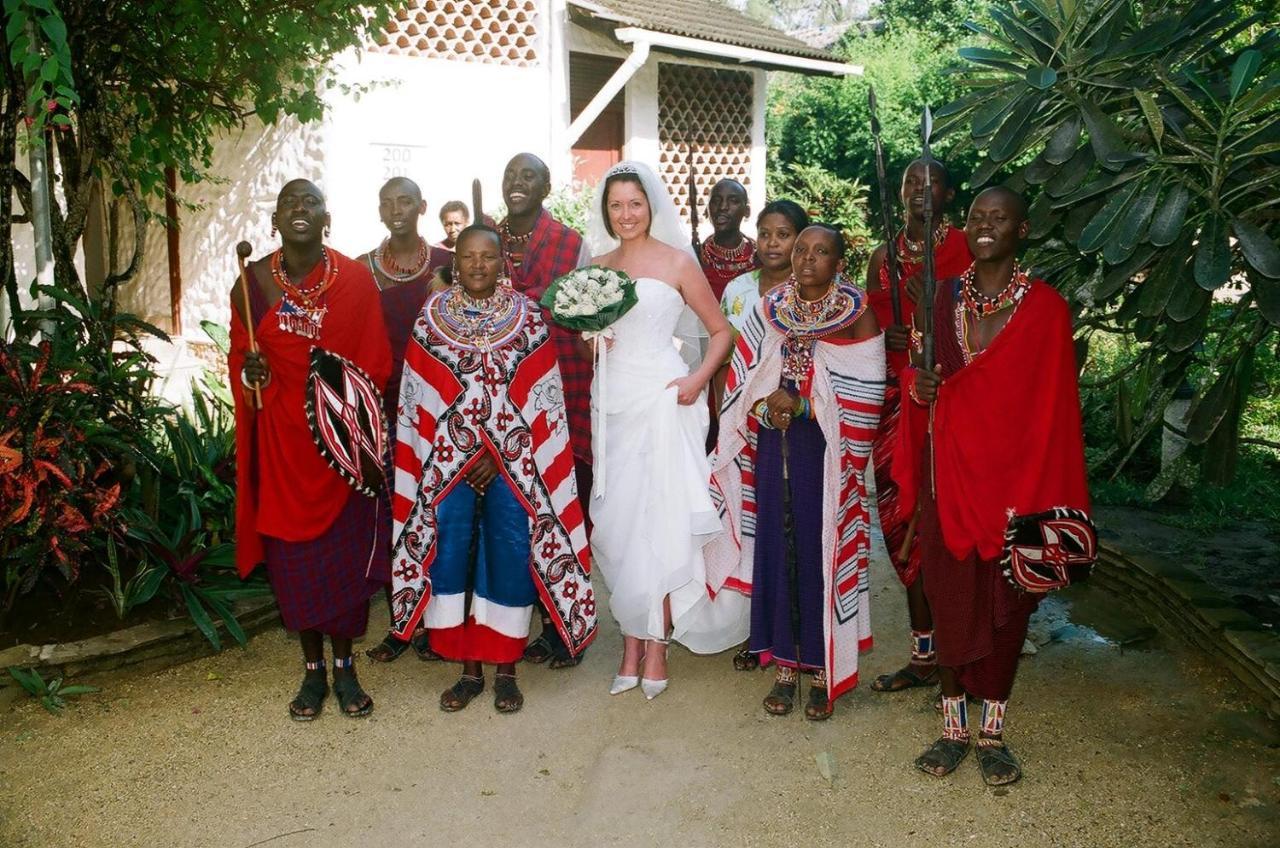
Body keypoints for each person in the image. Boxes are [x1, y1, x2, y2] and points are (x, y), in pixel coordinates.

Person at [897, 187, 1090, 784]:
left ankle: (993, 735)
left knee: (1007, 613)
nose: (985, 227)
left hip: (1017, 486)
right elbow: (919, 370)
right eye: (978, 217)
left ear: (1022, 229)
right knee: (950, 598)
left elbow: (1054, 411)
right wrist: (918, 387)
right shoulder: (941, 296)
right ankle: (953, 730)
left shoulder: (1048, 310)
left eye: (998, 218)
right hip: (947, 476)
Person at [388, 224, 596, 713]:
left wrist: (496, 453)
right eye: (468, 256)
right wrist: (462, 453)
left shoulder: (528, 319)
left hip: (515, 465)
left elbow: (540, 396)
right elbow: (419, 397)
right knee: (453, 555)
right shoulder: (430, 316)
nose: (478, 265)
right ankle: (469, 671)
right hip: (446, 467)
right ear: (454, 262)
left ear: (504, 262)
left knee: (509, 553)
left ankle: (505, 669)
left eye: (488, 256)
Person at [707, 224, 884, 719]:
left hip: (825, 451)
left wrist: (805, 406)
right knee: (775, 545)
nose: (807, 259)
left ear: (839, 262)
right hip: (772, 441)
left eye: (820, 251)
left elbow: (868, 399)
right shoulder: (771, 308)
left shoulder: (857, 315)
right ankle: (785, 665)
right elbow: (743, 378)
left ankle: (824, 667)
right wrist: (765, 407)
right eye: (801, 249)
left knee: (816, 549)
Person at [230, 178, 392, 720]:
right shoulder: (250, 284)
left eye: (311, 202)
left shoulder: (355, 281)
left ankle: (345, 668)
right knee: (296, 565)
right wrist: (253, 375)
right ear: (275, 220)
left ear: (328, 217)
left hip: (340, 450)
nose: (300, 209)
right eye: (289, 203)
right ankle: (312, 672)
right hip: (281, 447)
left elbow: (374, 363)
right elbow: (240, 365)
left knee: (341, 562)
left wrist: (343, 416)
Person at [585, 161, 740, 700]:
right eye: (616, 205)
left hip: (665, 399)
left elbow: (720, 331)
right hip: (613, 404)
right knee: (618, 525)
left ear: (651, 205)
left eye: (635, 203)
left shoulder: (677, 263)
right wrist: (598, 340)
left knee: (661, 520)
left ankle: (655, 646)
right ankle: (630, 638)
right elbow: (599, 330)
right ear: (606, 212)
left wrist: (697, 379)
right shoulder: (598, 268)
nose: (626, 214)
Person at [864, 158, 972, 695]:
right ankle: (923, 653)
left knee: (950, 530)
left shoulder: (968, 249)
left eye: (930, 184)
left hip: (953, 406)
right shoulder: (882, 257)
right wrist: (887, 337)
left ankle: (964, 654)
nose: (918, 192)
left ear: (948, 194)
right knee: (901, 523)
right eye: (910, 183)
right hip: (894, 408)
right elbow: (868, 328)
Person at [497, 152, 594, 669]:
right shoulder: (486, 240)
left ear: (547, 186)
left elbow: (561, 303)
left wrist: (504, 295)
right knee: (520, 514)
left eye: (528, 175)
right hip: (502, 400)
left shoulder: (569, 243)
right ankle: (531, 621)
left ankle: (566, 628)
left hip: (561, 392)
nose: (518, 183)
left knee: (562, 509)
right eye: (511, 174)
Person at [358, 177, 454, 664]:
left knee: (437, 513)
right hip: (382, 409)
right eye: (388, 202)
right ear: (379, 210)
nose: (397, 209)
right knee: (396, 514)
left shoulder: (449, 264)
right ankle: (402, 622)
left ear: (422, 206)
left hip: (438, 409)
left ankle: (439, 621)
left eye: (406, 201)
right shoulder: (360, 271)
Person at [716, 199, 810, 673]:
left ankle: (791, 634)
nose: (773, 243)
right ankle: (752, 633)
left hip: (791, 429)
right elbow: (723, 360)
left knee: (786, 528)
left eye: (784, 234)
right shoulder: (737, 291)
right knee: (748, 527)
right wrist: (721, 422)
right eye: (766, 233)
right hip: (740, 425)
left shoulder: (812, 293)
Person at [698, 178, 757, 301]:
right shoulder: (696, 258)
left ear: (747, 211)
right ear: (707, 209)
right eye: (715, 201)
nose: (723, 207)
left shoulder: (759, 258)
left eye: (733, 201)